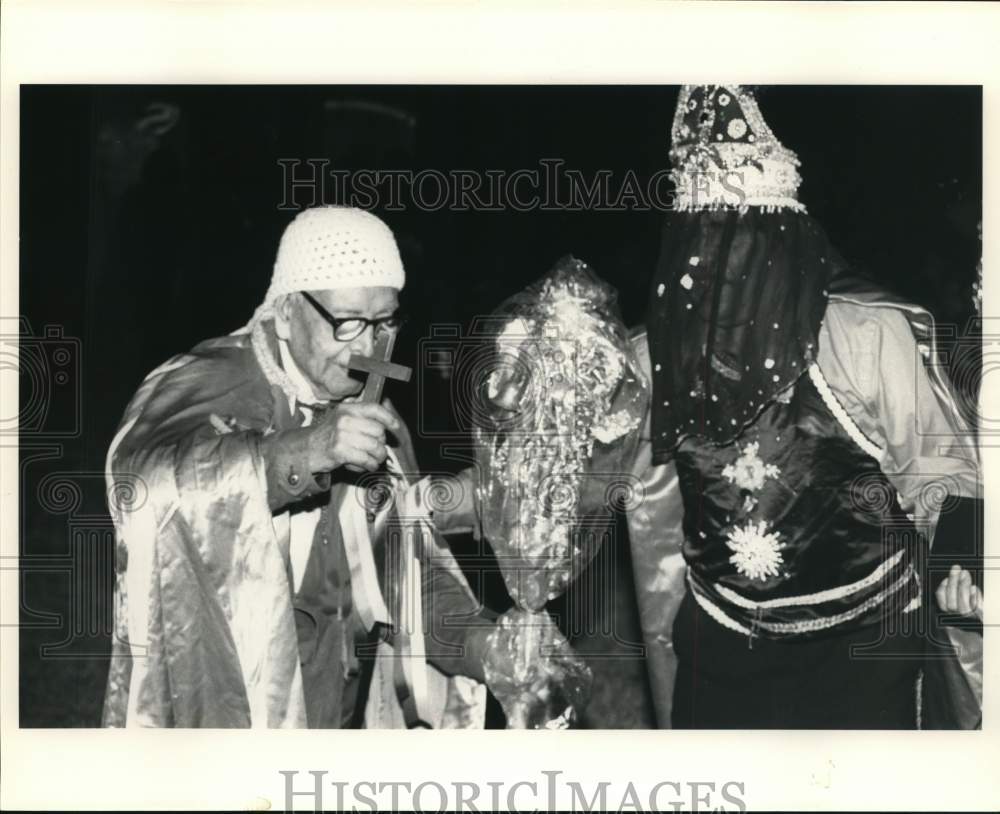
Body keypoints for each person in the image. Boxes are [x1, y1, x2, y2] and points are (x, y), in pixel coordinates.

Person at [101, 206, 562, 728]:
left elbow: (403, 582)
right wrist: (303, 453)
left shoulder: (369, 409)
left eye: (385, 322)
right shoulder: (209, 378)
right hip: (224, 724)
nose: (367, 347)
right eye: (347, 322)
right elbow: (141, 489)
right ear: (286, 310)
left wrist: (489, 649)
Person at [625, 85, 983, 729]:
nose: (716, 267)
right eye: (700, 241)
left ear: (781, 239)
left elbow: (941, 475)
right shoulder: (653, 356)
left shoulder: (863, 336)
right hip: (721, 652)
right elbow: (582, 481)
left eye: (738, 241)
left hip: (864, 653)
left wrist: (966, 570)